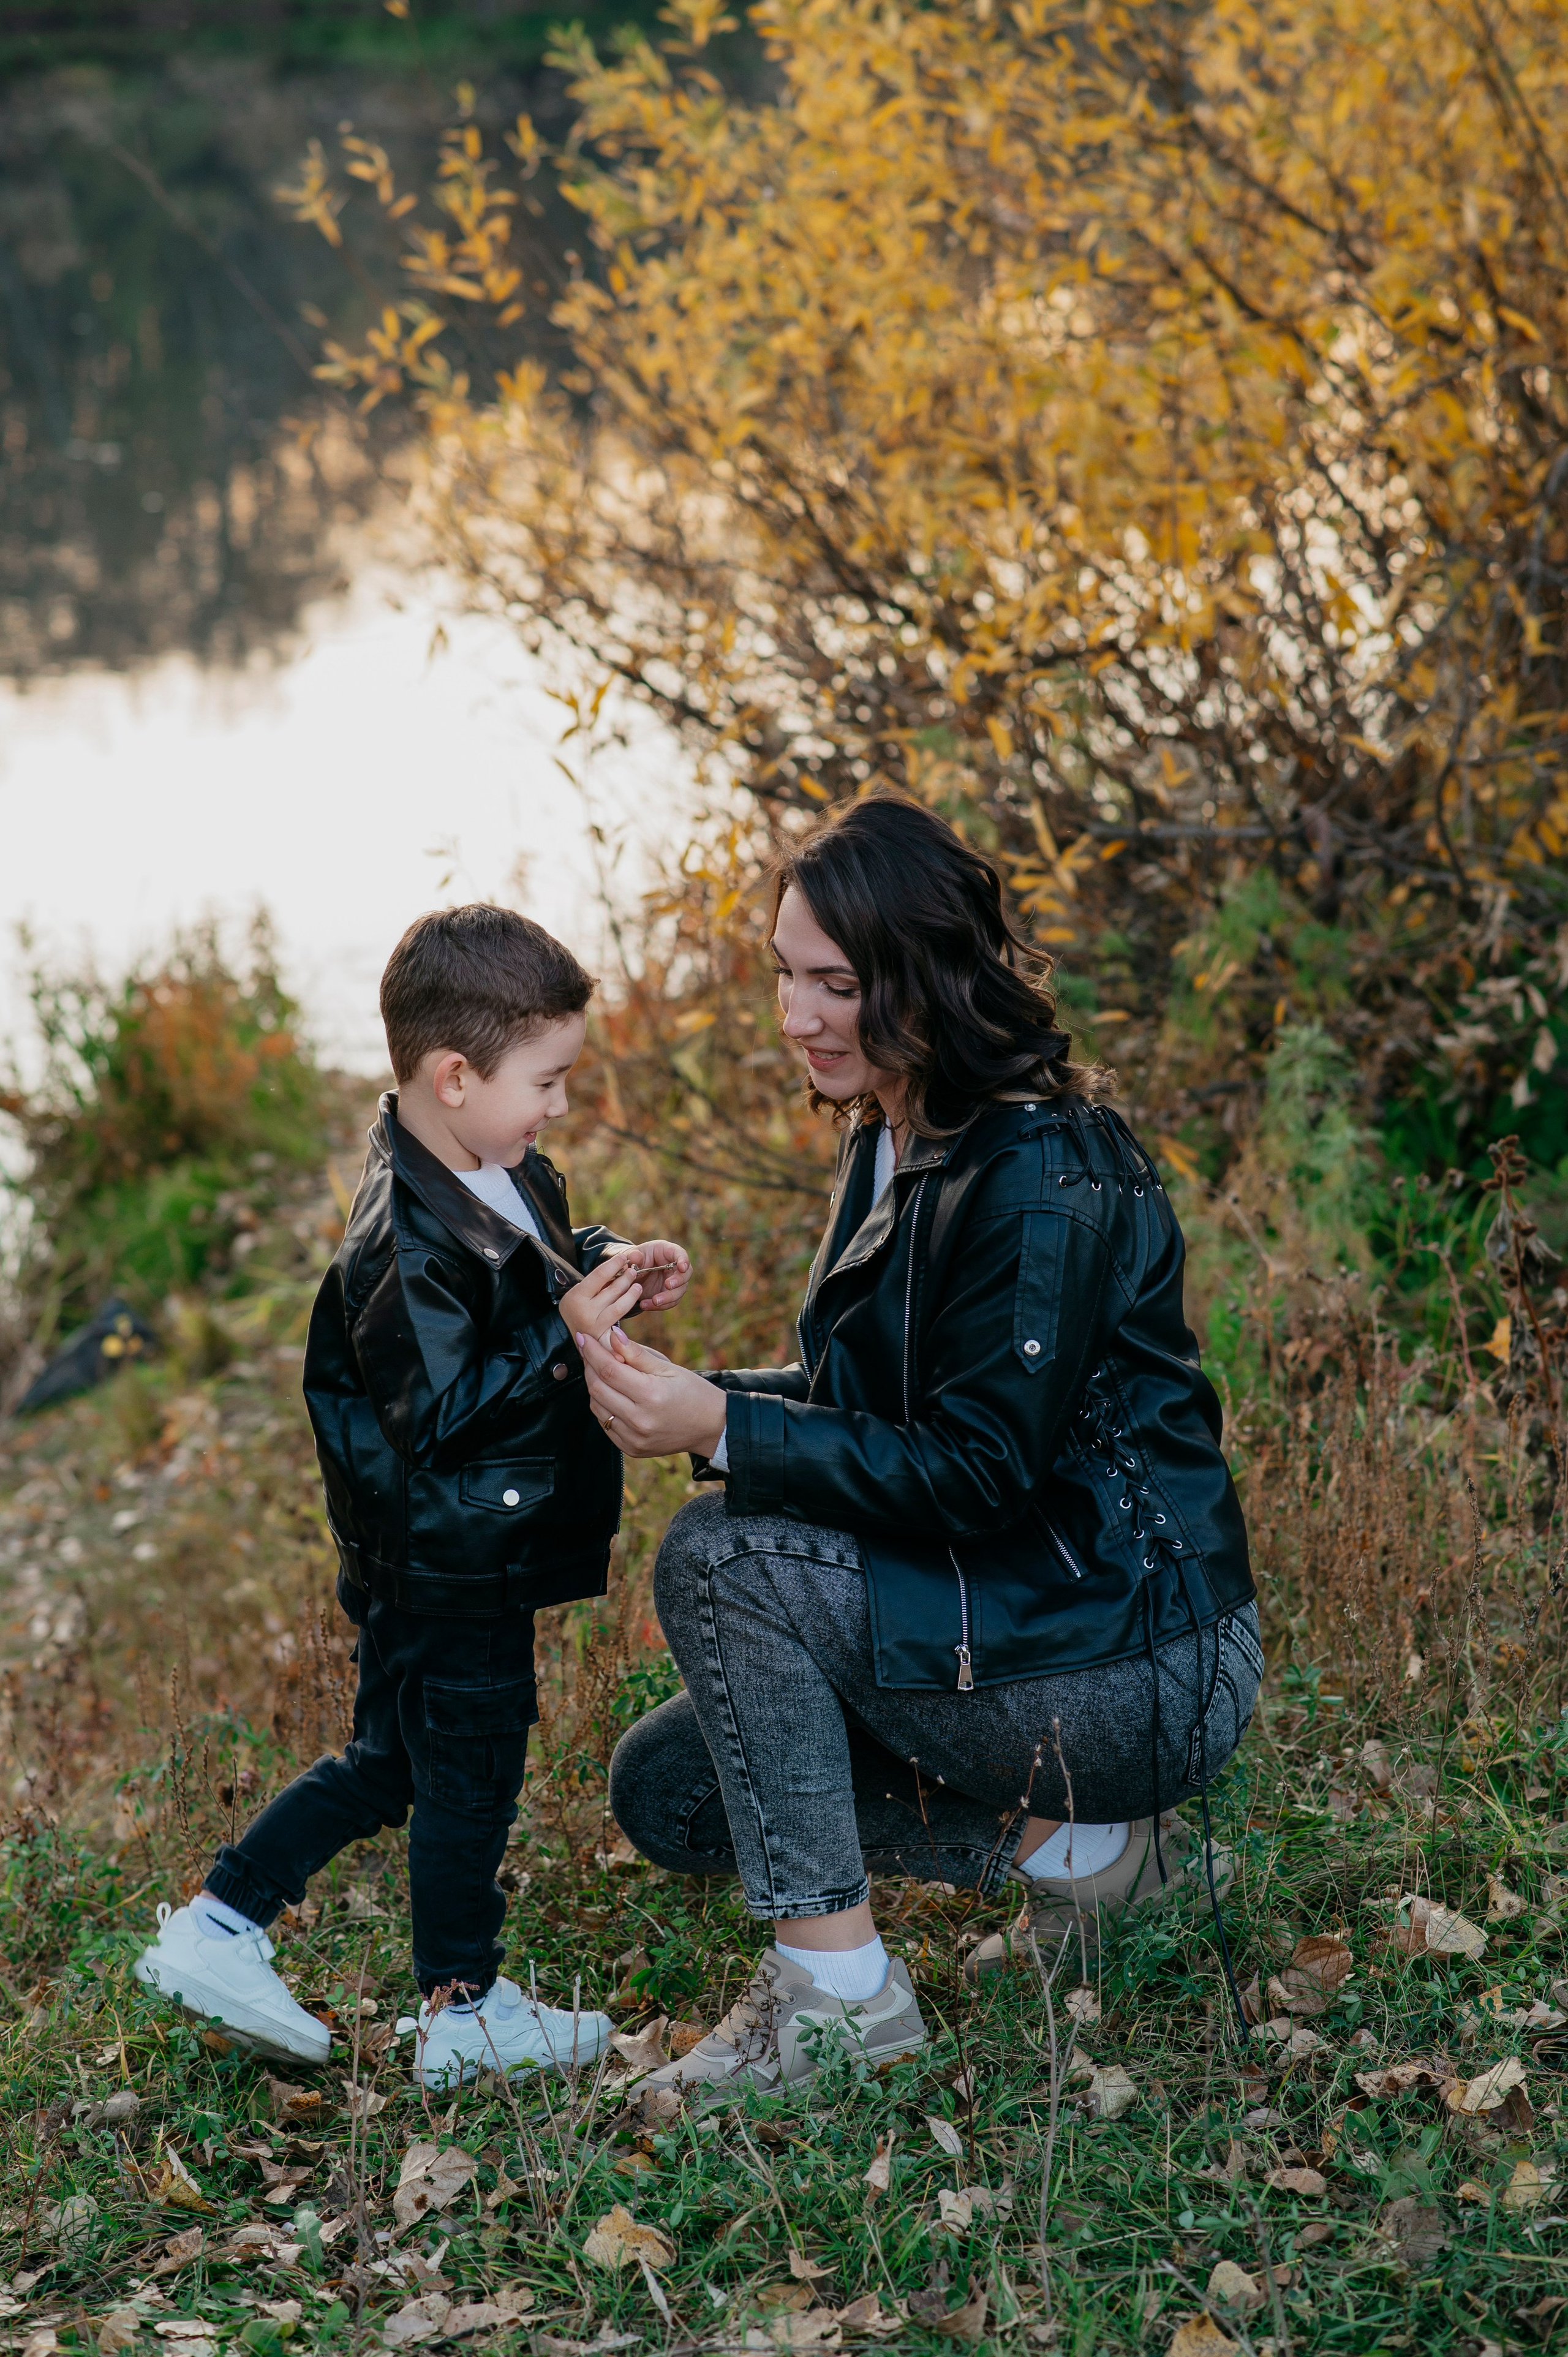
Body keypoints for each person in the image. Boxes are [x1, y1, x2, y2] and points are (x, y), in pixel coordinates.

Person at [581, 796, 1260, 2095]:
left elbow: (979, 1472)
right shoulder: (893, 1130)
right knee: (671, 1790)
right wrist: (677, 1390)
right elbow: (869, 1406)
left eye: (835, 983)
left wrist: (721, 1428)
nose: (795, 1015)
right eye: (785, 974)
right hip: (1033, 1616)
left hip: (1141, 1655)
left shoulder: (1036, 1172)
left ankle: (838, 2002)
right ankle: (1089, 1856)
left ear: (926, 977)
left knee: (719, 1558)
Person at [134, 906, 692, 2090]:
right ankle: (462, 2008)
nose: (556, 1106)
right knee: (471, 1768)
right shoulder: (400, 1243)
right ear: (453, 1075)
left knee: (390, 1759)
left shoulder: (488, 1163)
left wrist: (603, 1263)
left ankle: (223, 1920)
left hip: (442, 1550)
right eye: (546, 1080)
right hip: (448, 1560)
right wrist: (561, 1332)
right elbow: (438, 1417)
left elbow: (532, 1260)